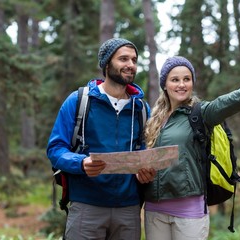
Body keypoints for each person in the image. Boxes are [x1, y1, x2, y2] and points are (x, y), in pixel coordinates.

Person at [143, 56, 240, 240]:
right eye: (175, 80)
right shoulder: (154, 120)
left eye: (186, 79)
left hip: (189, 212)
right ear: (164, 84)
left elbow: (231, 101)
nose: (181, 84)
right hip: (154, 211)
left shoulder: (202, 113)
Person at [47, 38, 156, 240]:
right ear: (106, 64)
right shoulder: (79, 101)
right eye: (123, 59)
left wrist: (146, 171)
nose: (130, 65)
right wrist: (81, 162)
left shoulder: (141, 109)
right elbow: (55, 149)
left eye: (134, 60)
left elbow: (144, 151)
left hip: (128, 209)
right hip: (87, 206)